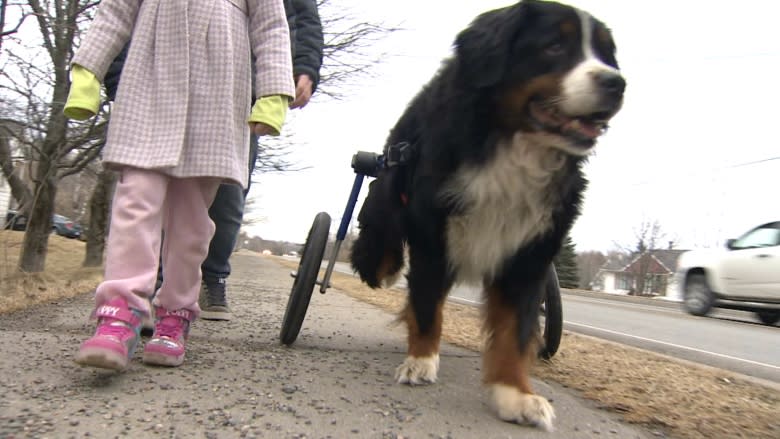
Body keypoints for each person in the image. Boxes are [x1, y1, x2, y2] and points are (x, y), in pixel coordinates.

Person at [64, 0, 295, 371]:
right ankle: (119, 312)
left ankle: (175, 312)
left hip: (217, 97)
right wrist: (88, 71)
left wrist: (273, 92)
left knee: (191, 221)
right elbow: (114, 12)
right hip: (149, 87)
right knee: (135, 197)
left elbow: (271, 27)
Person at [199, 0, 323, 320]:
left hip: (242, 88)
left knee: (228, 192)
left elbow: (298, 19)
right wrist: (119, 76)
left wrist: (305, 67)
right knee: (157, 185)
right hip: (167, 80)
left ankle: (213, 278)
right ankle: (152, 281)